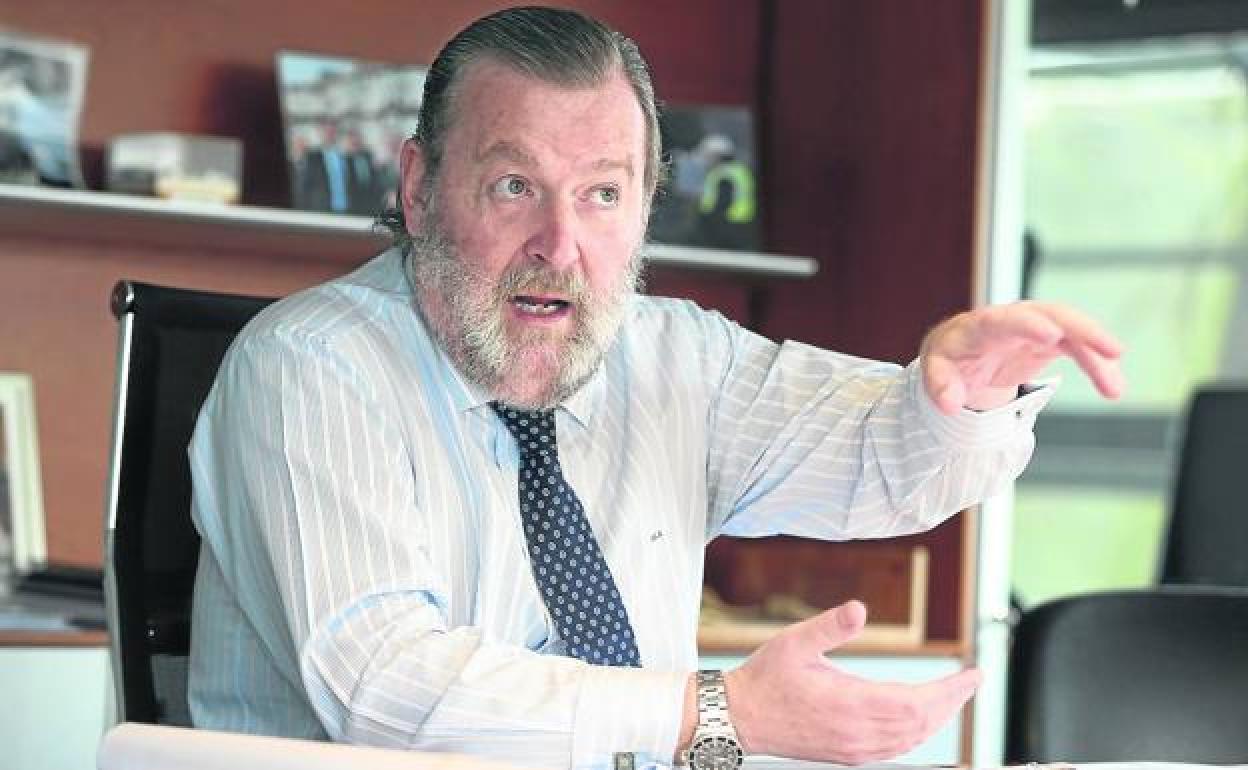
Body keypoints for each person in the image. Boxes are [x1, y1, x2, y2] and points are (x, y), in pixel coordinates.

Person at [187, 7, 1124, 770]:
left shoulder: (676, 356)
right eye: (514, 185)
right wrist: (715, 712)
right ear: (421, 186)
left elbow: (882, 460)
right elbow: (386, 692)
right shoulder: (309, 366)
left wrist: (964, 398)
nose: (561, 244)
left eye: (603, 194)